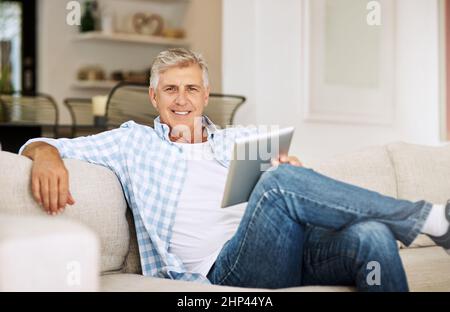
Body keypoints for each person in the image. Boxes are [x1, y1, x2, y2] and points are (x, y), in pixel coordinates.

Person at [20, 48, 449, 292]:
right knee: (280, 185)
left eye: (191, 88)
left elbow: (280, 196)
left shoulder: (237, 141)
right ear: (154, 97)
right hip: (221, 269)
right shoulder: (133, 140)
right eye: (170, 89)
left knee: (371, 237)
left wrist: (291, 177)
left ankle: (412, 220)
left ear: (205, 96)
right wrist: (45, 155)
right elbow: (43, 143)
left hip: (285, 251)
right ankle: (425, 218)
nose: (182, 99)